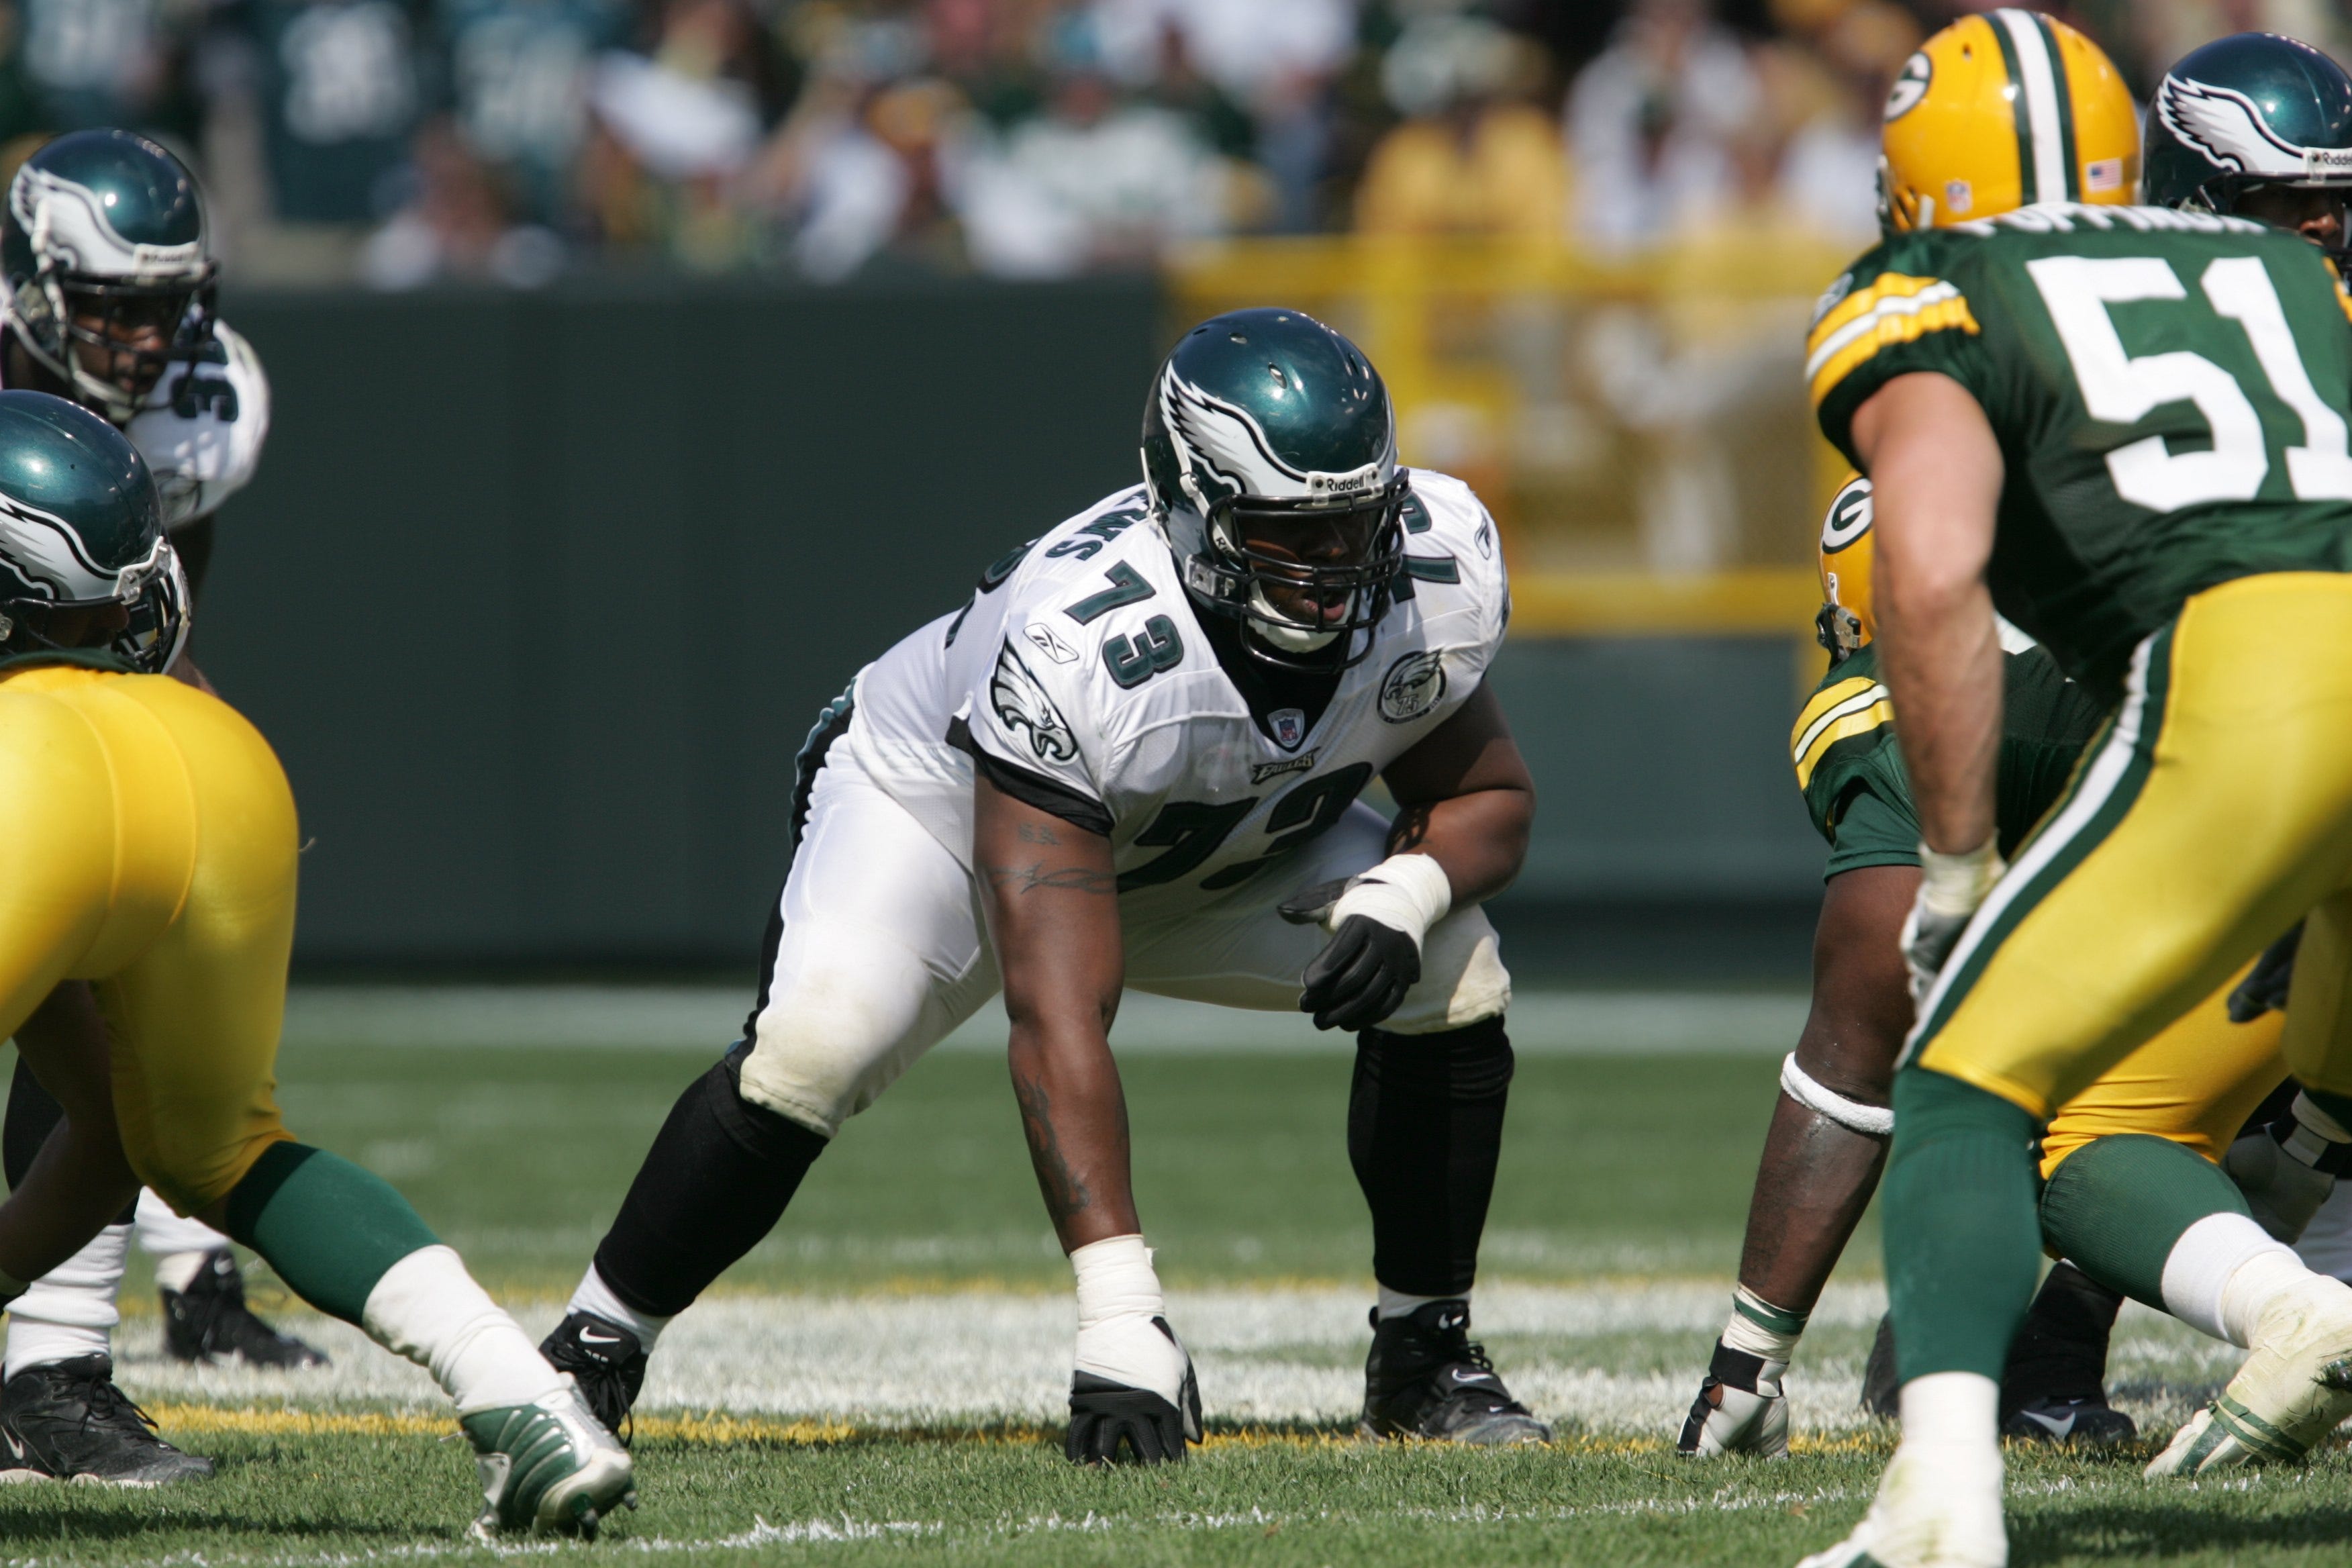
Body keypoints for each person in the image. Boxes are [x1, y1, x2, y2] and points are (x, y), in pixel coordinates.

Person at [536, 307, 1549, 1462]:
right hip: (943, 817)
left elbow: (1488, 795)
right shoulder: (1083, 643)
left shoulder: (1431, 562)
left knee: (1456, 967)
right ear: (1195, 506)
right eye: (1290, 535)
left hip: (1201, 847)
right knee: (820, 1044)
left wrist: (1407, 891)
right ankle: (593, 1350)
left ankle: (1422, 1360)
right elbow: (1058, 1011)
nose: (1335, 571)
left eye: (1353, 527)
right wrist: (1121, 1320)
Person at [1794, 13, 2352, 1565]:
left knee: (1970, 1078)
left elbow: (1936, 568)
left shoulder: (1928, 288)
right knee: (2325, 1079)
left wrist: (1959, 867)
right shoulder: (2295, 275)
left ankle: (1940, 1504)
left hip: (2264, 674)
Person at [0, 387, 633, 1534]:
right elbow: (99, 1143)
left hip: (29, 782)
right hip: (215, 765)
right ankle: (521, 1397)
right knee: (217, 1151)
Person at [1679, 474, 2345, 1461]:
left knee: (2036, 1107)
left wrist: (1748, 1359)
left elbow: (1857, 1045)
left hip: (2286, 810)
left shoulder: (1895, 696)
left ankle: (2282, 1308)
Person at [0, 128, 323, 1489]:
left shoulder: (206, 400)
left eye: (163, 306)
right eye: (112, 304)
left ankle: (53, 1372)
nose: (142, 343)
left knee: (117, 979)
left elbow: (142, 623)